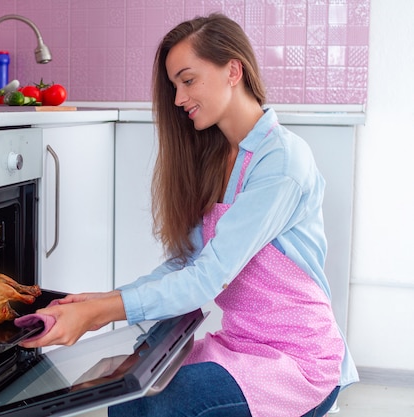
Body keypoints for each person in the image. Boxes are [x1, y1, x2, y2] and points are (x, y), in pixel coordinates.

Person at [20, 13, 358, 417]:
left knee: (169, 404)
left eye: (188, 80)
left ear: (233, 70)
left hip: (297, 363)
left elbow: (206, 278)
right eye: (175, 85)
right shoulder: (218, 158)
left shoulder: (281, 161)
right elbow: (187, 262)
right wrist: (100, 301)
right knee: (125, 395)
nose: (179, 98)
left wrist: (99, 314)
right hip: (240, 346)